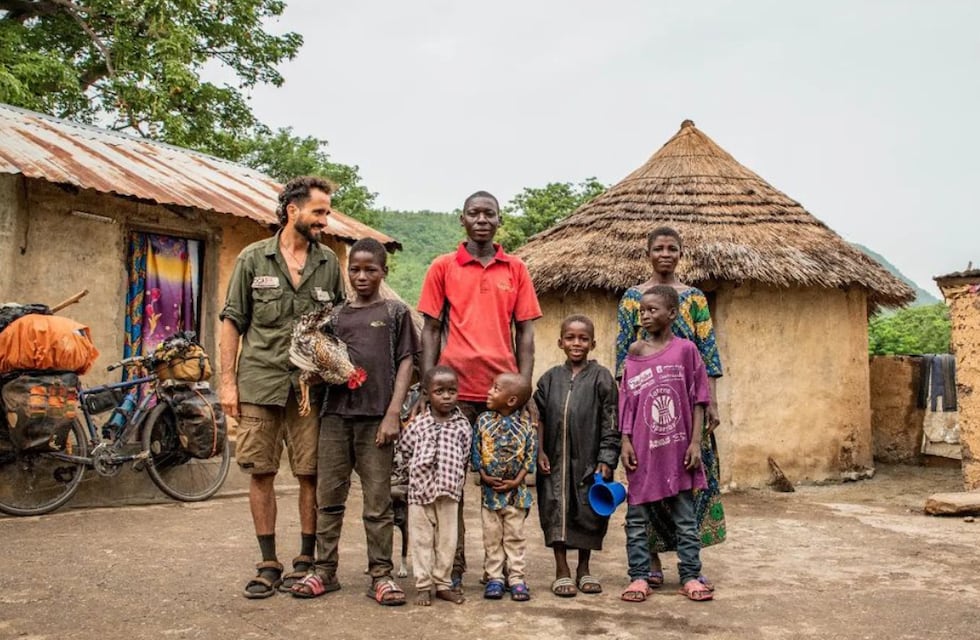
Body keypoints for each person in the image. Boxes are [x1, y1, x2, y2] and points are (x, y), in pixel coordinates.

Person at [219, 176, 345, 599]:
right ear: (293, 210)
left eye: (327, 213)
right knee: (261, 471)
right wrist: (227, 383)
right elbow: (232, 321)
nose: (325, 221)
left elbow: (339, 325)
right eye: (319, 212)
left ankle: (306, 560)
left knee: (311, 472)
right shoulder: (253, 259)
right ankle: (268, 563)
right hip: (260, 381)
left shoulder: (328, 263)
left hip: (309, 389)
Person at [417, 190, 542, 591]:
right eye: (474, 213)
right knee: (449, 484)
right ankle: (451, 567)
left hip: (500, 396)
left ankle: (502, 571)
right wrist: (427, 387)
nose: (482, 220)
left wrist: (524, 387)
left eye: (490, 214)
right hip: (452, 394)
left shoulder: (516, 269)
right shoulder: (442, 267)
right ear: (463, 219)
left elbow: (525, 333)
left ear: (499, 220)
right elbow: (431, 329)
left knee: (501, 482)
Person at [287, 237, 417, 605]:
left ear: (383, 272)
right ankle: (324, 571)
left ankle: (381, 575)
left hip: (376, 419)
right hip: (335, 417)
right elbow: (320, 363)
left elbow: (407, 361)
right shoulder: (334, 316)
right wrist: (315, 372)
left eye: (370, 270)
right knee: (329, 498)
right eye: (355, 270)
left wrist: (393, 412)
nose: (361, 276)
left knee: (378, 502)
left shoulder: (395, 313)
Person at [614, 226, 726, 589]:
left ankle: (690, 565)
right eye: (658, 248)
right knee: (646, 483)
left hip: (687, 407)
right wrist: (625, 425)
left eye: (672, 248)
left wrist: (711, 402)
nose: (665, 254)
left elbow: (707, 351)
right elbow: (623, 359)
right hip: (645, 408)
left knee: (688, 478)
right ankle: (650, 563)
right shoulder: (632, 299)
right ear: (647, 253)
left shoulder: (694, 299)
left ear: (681, 253)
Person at [619, 286, 714, 603]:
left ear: (672, 313)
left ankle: (690, 576)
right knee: (636, 520)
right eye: (642, 311)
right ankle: (638, 577)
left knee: (685, 520)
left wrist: (695, 443)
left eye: (652, 310)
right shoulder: (635, 352)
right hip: (643, 452)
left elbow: (699, 399)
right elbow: (627, 401)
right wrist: (625, 440)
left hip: (677, 450)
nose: (645, 316)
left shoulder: (686, 350)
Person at [534, 315, 620, 598]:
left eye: (583, 339)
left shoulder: (602, 377)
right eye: (570, 338)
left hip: (589, 460)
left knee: (589, 510)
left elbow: (611, 421)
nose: (576, 343)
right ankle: (561, 569)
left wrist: (606, 458)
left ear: (593, 343)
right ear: (560, 342)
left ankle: (584, 567)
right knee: (554, 507)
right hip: (554, 459)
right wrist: (539, 450)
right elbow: (538, 417)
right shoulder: (549, 379)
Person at [394, 365, 472, 606]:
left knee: (447, 541)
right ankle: (423, 585)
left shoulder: (462, 425)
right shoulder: (418, 424)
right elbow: (405, 450)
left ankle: (443, 584)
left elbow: (465, 455)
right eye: (440, 391)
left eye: (452, 391)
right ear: (427, 394)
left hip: (449, 493)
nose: (447, 396)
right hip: (420, 493)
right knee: (421, 540)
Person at [471, 372, 537, 602]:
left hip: (516, 495)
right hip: (490, 495)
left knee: (514, 536)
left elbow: (530, 456)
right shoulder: (483, 421)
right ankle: (495, 577)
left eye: (496, 389)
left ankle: (516, 578)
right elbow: (476, 450)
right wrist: (483, 475)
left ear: (511, 400)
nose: (489, 392)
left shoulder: (526, 426)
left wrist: (517, 481)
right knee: (491, 537)